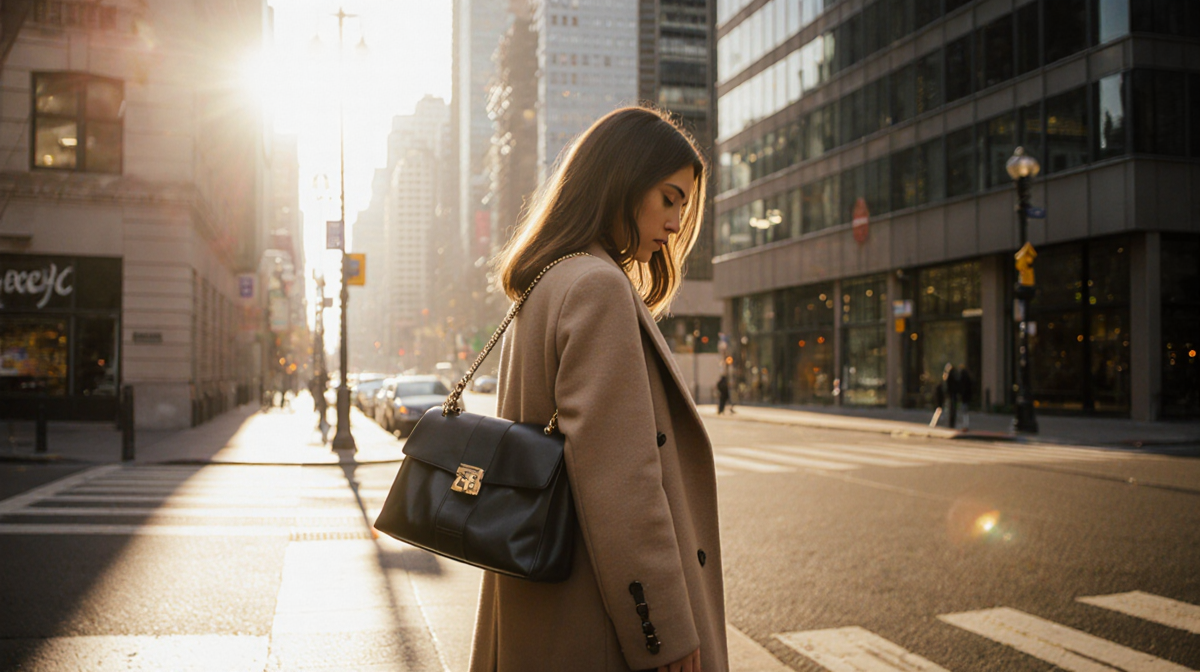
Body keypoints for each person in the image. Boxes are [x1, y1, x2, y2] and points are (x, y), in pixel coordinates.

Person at [474, 107, 727, 672]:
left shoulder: (548, 279)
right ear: (621, 181)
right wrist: (661, 629)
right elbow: (622, 482)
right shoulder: (597, 287)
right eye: (669, 198)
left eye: (684, 205)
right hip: (596, 623)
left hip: (543, 608)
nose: (676, 224)